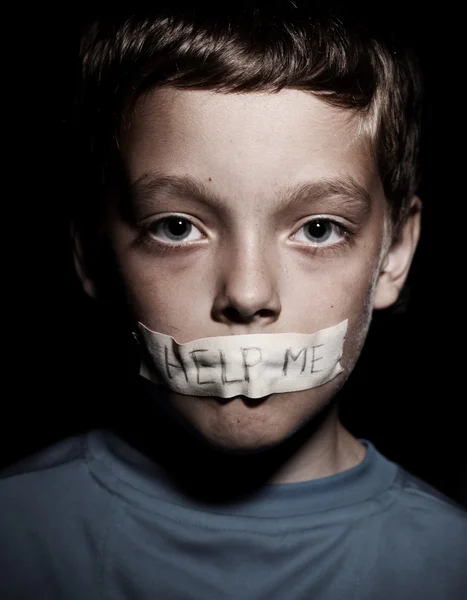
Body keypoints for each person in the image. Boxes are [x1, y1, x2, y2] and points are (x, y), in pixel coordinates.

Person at [1, 3, 466, 599]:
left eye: (319, 229)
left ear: (394, 252)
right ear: (93, 256)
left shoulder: (451, 565)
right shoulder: (15, 531)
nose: (247, 295)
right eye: (176, 227)